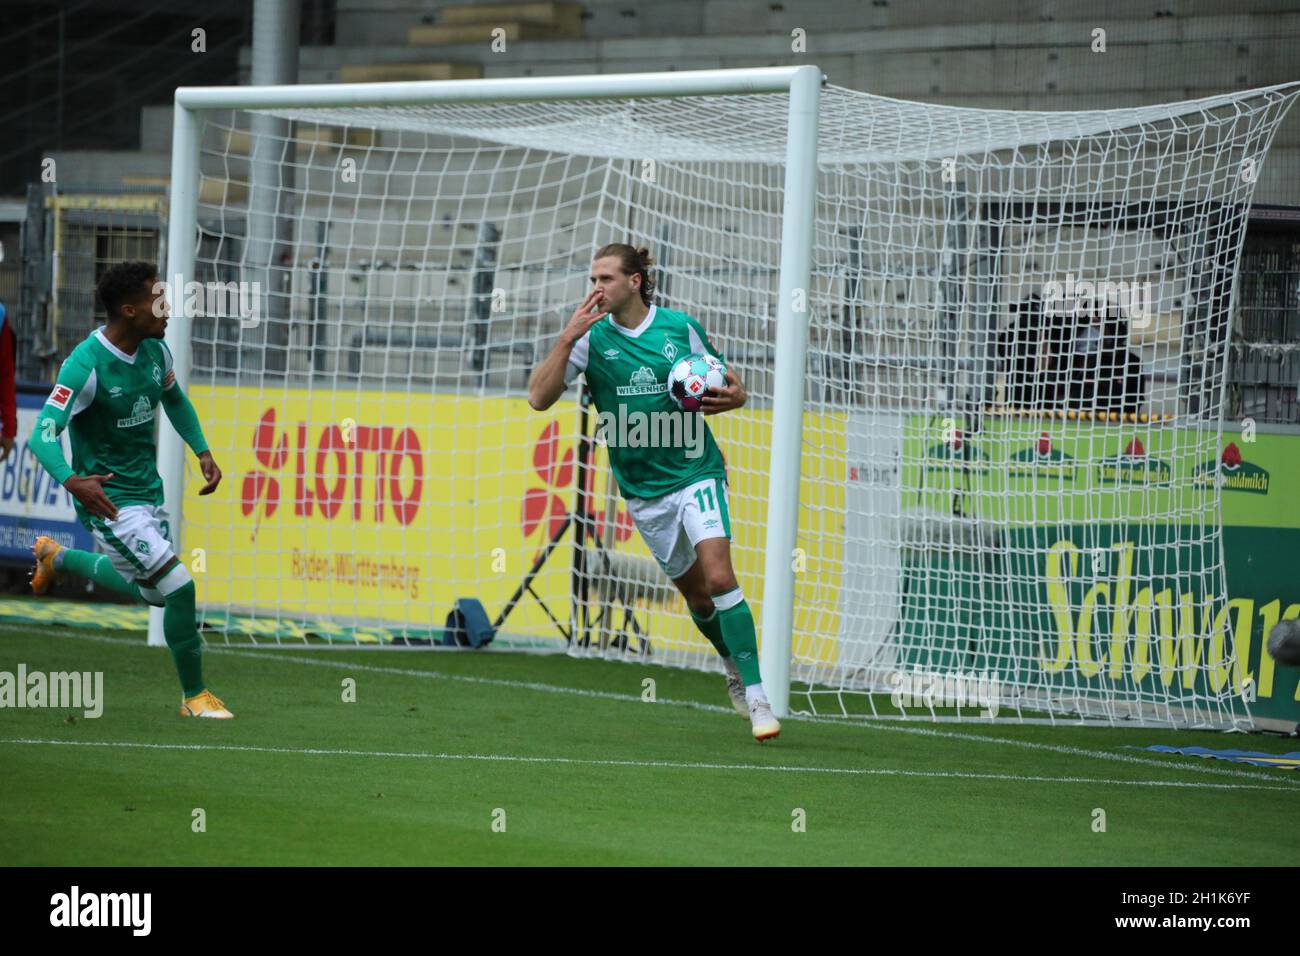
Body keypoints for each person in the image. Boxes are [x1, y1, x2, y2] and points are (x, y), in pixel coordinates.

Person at [527, 243, 779, 741]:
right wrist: (566, 337)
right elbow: (538, 397)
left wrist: (739, 396)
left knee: (720, 574)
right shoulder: (590, 339)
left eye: (605, 278)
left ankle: (757, 697)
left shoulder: (679, 327)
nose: (595, 288)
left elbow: (728, 384)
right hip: (644, 492)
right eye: (592, 279)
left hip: (696, 472)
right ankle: (729, 658)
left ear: (634, 281)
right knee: (699, 598)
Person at [28, 260, 230, 718]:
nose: (168, 308)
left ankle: (56, 558)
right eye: (157, 300)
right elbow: (42, 433)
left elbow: (174, 399)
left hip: (147, 493)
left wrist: (202, 451)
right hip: (109, 503)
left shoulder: (156, 354)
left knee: (155, 593)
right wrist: (73, 481)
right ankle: (195, 697)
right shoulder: (85, 366)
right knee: (178, 585)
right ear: (129, 310)